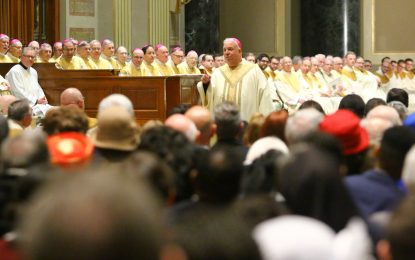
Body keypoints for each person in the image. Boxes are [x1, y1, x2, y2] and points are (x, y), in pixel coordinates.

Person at [201, 38, 274, 120]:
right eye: (224, 50)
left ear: (239, 51)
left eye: (230, 49)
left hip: (247, 124)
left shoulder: (254, 71)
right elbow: (209, 96)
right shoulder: (218, 73)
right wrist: (205, 85)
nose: (226, 53)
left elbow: (264, 97)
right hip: (222, 125)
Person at [5, 47, 52, 117]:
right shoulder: (15, 71)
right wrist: (35, 101)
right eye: (28, 56)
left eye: (33, 57)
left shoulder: (33, 71)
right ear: (21, 56)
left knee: (53, 111)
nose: (30, 59)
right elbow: (18, 91)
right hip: (22, 106)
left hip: (36, 104)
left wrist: (43, 99)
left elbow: (38, 88)